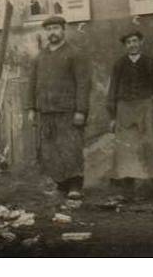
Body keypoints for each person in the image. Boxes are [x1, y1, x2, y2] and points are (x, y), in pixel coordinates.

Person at [27, 15, 91, 200]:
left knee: (70, 148)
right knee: (51, 150)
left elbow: (83, 84)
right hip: (46, 111)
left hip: (68, 110)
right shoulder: (40, 57)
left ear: (64, 30)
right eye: (48, 29)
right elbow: (32, 83)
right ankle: (61, 186)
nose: (52, 32)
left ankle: (75, 186)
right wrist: (31, 107)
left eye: (55, 28)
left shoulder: (75, 54)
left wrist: (81, 110)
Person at [106, 30, 153, 205]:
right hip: (124, 109)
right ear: (125, 45)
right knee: (126, 150)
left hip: (146, 108)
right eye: (128, 42)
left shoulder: (150, 63)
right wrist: (112, 116)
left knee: (150, 146)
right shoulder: (119, 64)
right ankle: (128, 193)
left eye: (135, 41)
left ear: (140, 42)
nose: (132, 44)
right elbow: (112, 91)